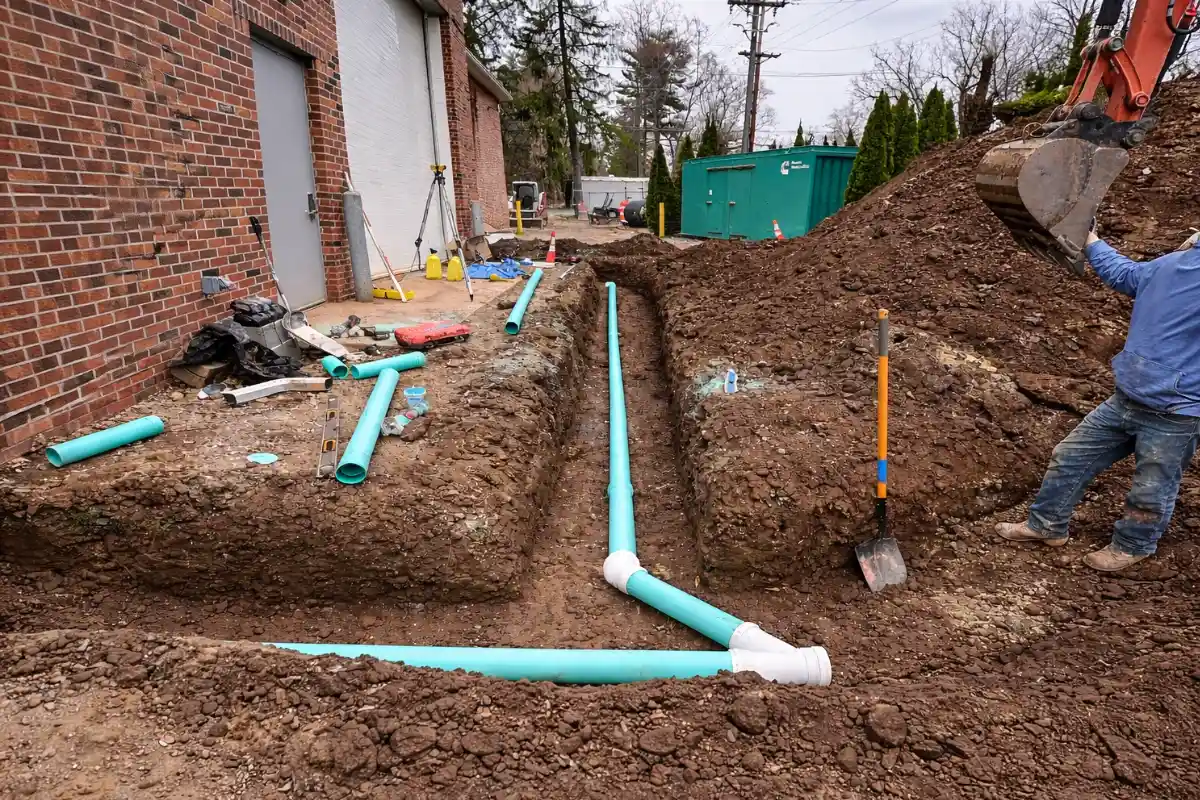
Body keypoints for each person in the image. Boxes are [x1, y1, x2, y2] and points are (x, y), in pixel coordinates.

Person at [996, 225, 1200, 571]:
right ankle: (1046, 525)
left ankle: (1133, 544)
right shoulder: (1171, 267)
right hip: (1127, 397)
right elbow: (1126, 274)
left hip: (1176, 410)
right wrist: (1090, 240)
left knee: (1151, 489)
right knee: (1070, 456)